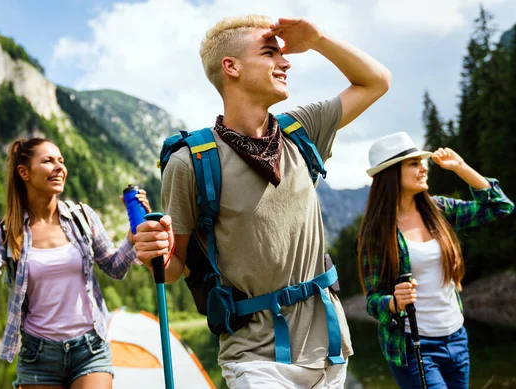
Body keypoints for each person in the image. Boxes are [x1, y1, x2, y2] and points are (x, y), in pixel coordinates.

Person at [134, 15, 391, 388]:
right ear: (231, 66)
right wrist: (152, 252)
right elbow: (173, 267)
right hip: (254, 358)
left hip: (330, 350)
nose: (285, 63)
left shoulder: (302, 130)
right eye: (270, 53)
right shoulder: (190, 161)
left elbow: (377, 81)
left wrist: (318, 39)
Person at [0, 138, 151, 389]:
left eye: (61, 161)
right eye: (48, 161)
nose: (59, 167)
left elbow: (114, 266)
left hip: (90, 349)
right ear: (24, 172)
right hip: (38, 356)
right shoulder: (5, 231)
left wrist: (133, 238)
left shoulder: (82, 217)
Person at [357, 132, 514, 388]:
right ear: (392, 173)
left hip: (456, 338)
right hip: (413, 345)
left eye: (423, 162)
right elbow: (373, 301)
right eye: (414, 163)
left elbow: (500, 206)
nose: (424, 168)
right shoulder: (376, 232)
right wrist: (394, 303)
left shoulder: (439, 210)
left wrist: (461, 168)